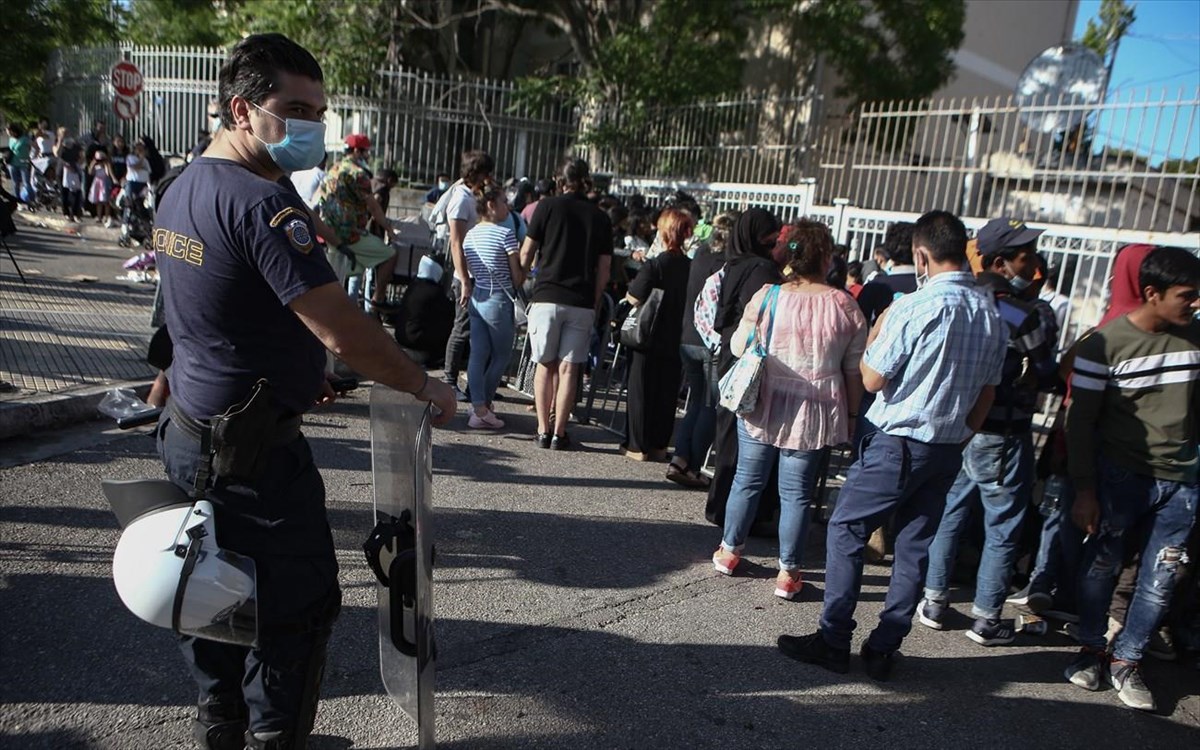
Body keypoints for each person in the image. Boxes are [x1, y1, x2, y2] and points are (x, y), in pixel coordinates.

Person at [151, 33, 455, 749]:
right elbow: (344, 331)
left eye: (317, 110)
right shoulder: (261, 204)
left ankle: (219, 729)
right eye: (293, 108)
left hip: (193, 429)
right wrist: (423, 384)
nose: (309, 125)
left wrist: (294, 371)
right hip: (252, 458)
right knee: (295, 611)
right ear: (241, 108)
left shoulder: (186, 184)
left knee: (209, 595)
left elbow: (198, 306)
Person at [776, 210, 1007, 681]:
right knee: (914, 545)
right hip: (946, 447)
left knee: (846, 531)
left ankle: (834, 638)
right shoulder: (990, 314)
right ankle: (884, 646)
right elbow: (988, 392)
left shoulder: (915, 307)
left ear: (921, 255)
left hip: (897, 442)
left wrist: (879, 327)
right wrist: (959, 435)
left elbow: (872, 378)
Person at [1063, 246, 1199, 713]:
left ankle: (1128, 659)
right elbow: (1080, 420)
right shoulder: (1104, 344)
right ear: (1152, 293)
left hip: (1182, 482)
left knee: (1160, 577)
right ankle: (1090, 650)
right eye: (1187, 295)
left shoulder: (1197, 338)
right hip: (1119, 477)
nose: (1195, 303)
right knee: (1102, 566)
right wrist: (1084, 488)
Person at [713, 220, 866, 601]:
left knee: (747, 479)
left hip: (763, 400)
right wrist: (850, 417)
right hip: (815, 406)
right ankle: (788, 572)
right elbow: (853, 371)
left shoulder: (767, 296)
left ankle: (730, 551)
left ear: (790, 256)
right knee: (795, 493)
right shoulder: (845, 305)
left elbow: (736, 348)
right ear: (826, 258)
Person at [920, 270, 1059, 645]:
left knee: (951, 511)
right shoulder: (1016, 312)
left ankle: (933, 599)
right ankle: (986, 618)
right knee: (1003, 525)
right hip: (1003, 431)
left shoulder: (960, 306)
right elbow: (1046, 371)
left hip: (960, 426)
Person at [518, 157, 612, 450]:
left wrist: (525, 274)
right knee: (570, 369)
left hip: (546, 295)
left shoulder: (546, 207)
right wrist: (595, 301)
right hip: (581, 300)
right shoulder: (600, 217)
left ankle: (542, 429)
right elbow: (605, 269)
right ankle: (560, 432)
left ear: (559, 180)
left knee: (544, 365)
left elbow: (526, 253)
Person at [703, 208, 783, 527]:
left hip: (729, 353)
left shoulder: (734, 263)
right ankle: (741, 512)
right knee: (745, 437)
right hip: (748, 359)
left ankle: (719, 504)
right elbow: (761, 313)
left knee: (727, 434)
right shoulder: (762, 268)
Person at [668, 210, 737, 488]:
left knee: (696, 401)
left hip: (688, 335)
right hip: (711, 341)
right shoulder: (728, 263)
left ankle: (680, 458)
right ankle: (692, 464)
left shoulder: (700, 254)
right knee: (709, 404)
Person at [621, 207, 693, 461]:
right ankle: (659, 444)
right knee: (666, 393)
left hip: (648, 334)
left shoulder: (656, 264)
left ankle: (637, 445)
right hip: (676, 335)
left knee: (641, 389)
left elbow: (634, 296)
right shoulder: (690, 266)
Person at [462, 180, 524, 429]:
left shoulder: (470, 236)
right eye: (504, 203)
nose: (507, 208)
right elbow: (517, 277)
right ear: (490, 204)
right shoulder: (505, 234)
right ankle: (483, 407)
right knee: (501, 356)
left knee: (477, 356)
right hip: (499, 299)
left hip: (478, 297)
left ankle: (478, 406)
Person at [316, 134, 401, 313]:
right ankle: (377, 301)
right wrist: (389, 230)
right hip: (350, 234)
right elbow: (374, 208)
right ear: (357, 151)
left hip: (330, 232)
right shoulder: (358, 174)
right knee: (391, 255)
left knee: (344, 276)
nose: (368, 156)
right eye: (366, 152)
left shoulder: (333, 169)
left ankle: (343, 313)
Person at [439, 150, 495, 401]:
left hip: (479, 274)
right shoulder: (460, 199)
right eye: (486, 173)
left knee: (478, 333)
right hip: (467, 276)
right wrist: (464, 280)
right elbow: (456, 243)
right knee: (461, 329)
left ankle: (475, 384)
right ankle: (449, 380)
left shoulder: (472, 196)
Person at [6, 123, 33, 206]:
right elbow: (10, 150)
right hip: (12, 163)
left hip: (23, 163)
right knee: (15, 183)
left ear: (13, 131)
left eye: (8, 131)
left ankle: (30, 200)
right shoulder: (11, 139)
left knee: (26, 183)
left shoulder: (24, 139)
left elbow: (34, 147)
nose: (8, 133)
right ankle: (17, 201)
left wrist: (31, 156)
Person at [87, 150, 115, 227]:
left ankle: (106, 217)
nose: (100, 161)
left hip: (105, 182)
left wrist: (106, 164)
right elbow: (90, 172)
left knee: (106, 202)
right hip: (97, 183)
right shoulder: (96, 165)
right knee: (98, 202)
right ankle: (99, 217)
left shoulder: (106, 165)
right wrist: (93, 163)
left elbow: (108, 173)